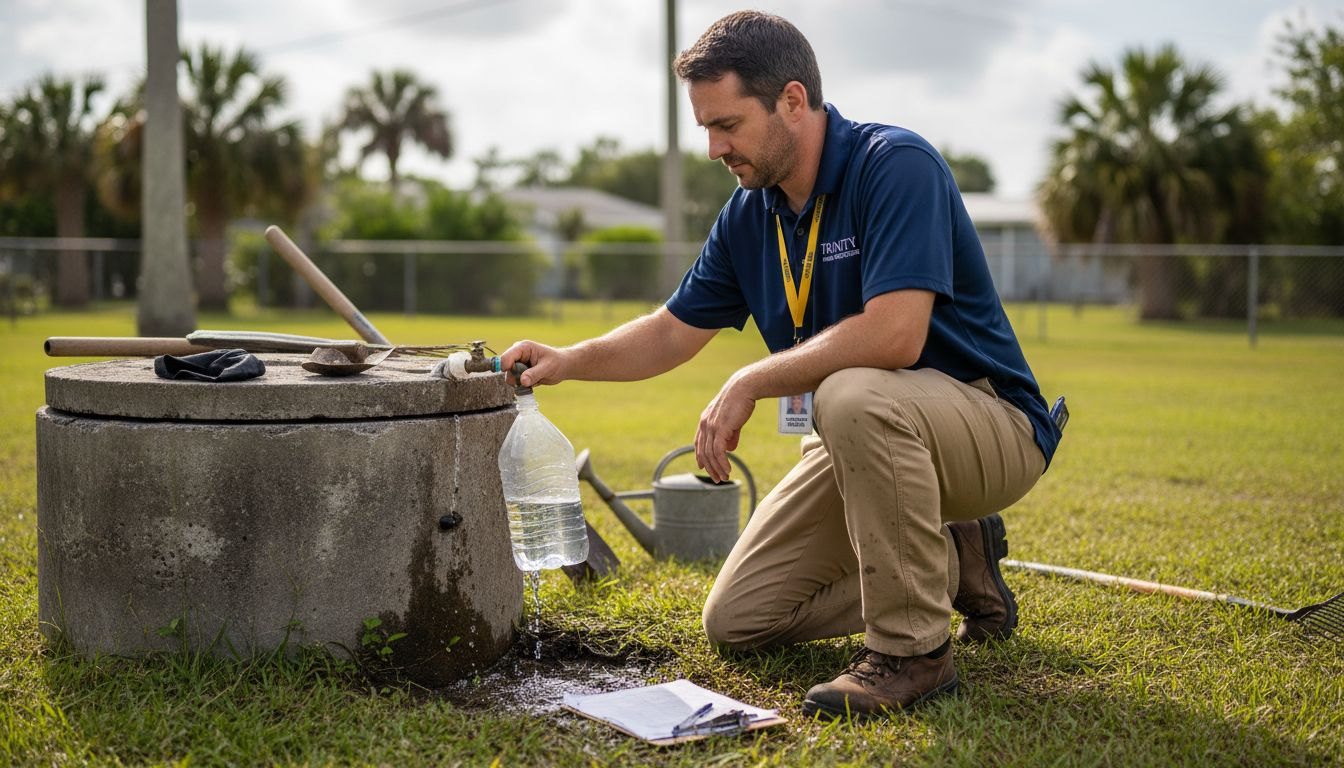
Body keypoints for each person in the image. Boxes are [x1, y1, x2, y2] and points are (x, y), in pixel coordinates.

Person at [502, 10, 1061, 719]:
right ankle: (953, 560)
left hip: (992, 426)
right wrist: (566, 360)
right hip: (872, 435)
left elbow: (896, 336)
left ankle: (912, 652)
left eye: (727, 124)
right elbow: (671, 333)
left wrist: (750, 379)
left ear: (792, 101)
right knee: (738, 621)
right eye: (705, 127)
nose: (712, 147)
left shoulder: (896, 165)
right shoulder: (749, 213)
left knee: (851, 395)